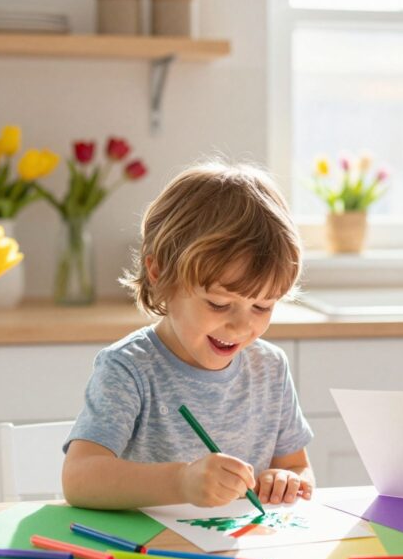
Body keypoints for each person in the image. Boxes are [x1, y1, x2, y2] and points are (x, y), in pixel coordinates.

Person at [62, 161, 315, 510]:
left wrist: (286, 480)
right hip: (151, 543)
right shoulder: (129, 368)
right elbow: (79, 479)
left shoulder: (270, 368)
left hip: (237, 544)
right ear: (158, 272)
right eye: (219, 304)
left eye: (262, 306)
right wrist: (181, 481)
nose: (241, 327)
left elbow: (297, 466)